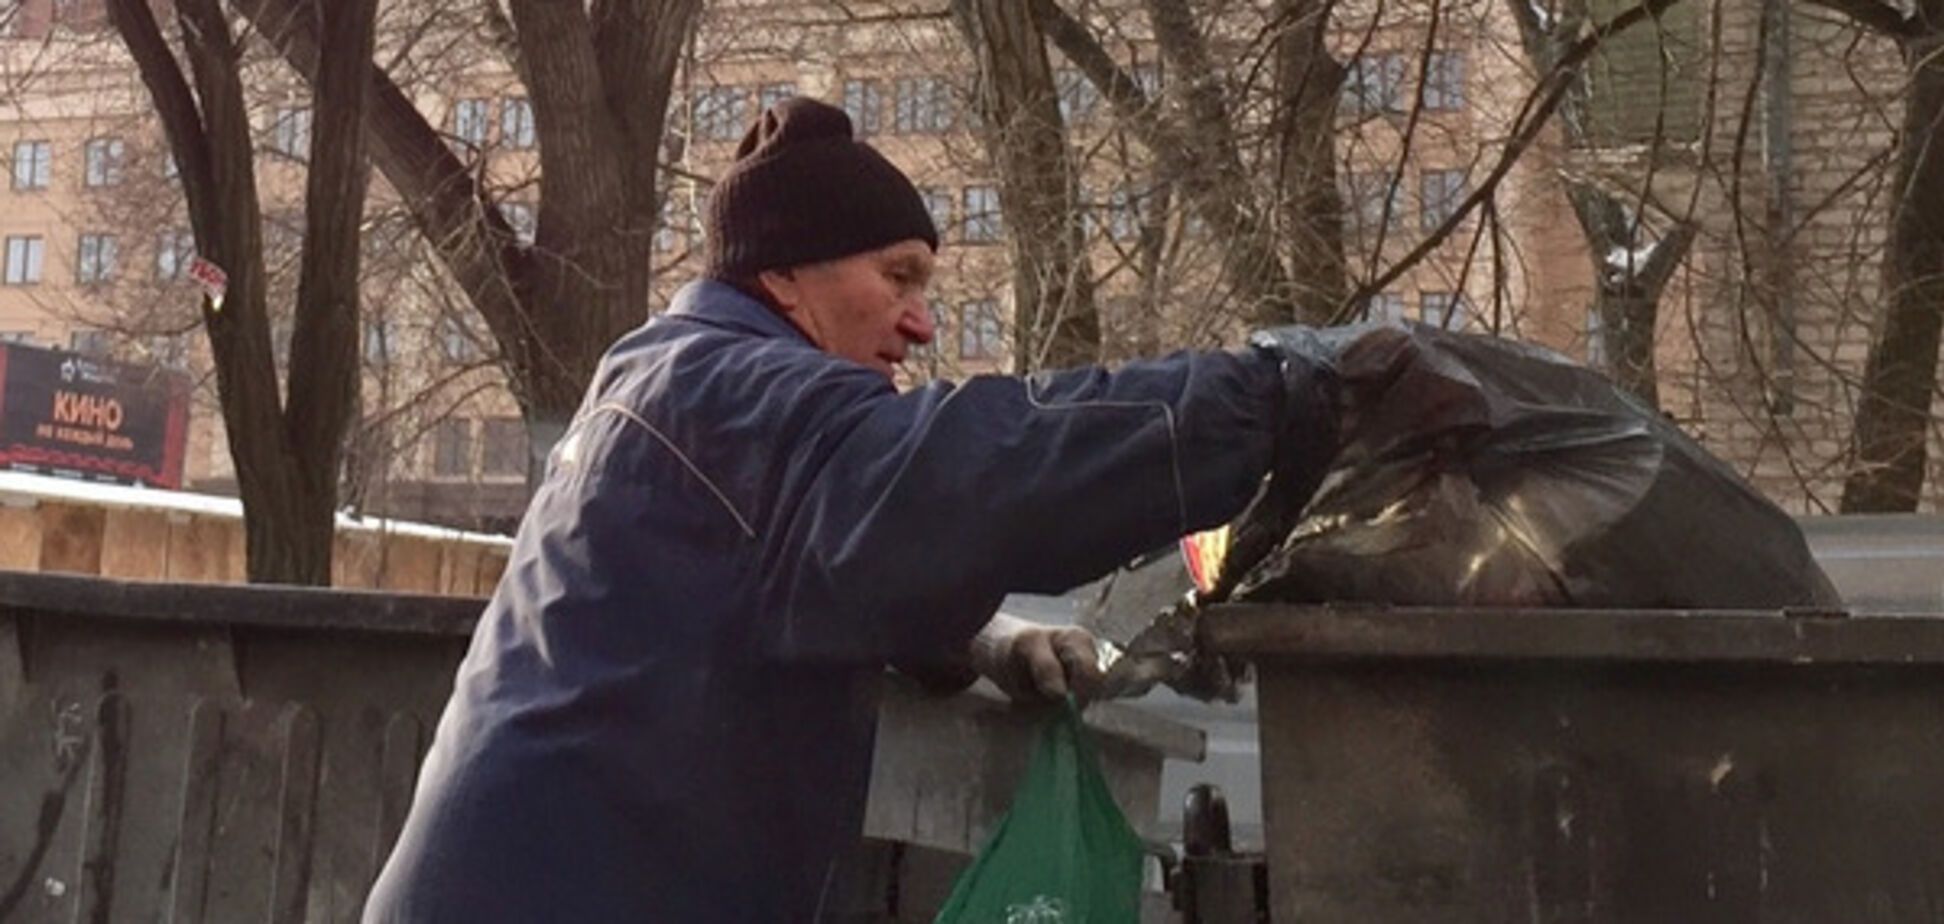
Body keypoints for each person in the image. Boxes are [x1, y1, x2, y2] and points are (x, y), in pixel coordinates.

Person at [363, 97, 1339, 923]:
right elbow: (988, 473)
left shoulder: (664, 375)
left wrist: (980, 639)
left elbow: (766, 575)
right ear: (784, 274)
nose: (921, 322)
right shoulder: (739, 400)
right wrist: (1284, 396)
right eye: (897, 276)